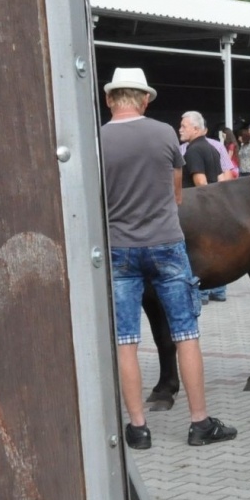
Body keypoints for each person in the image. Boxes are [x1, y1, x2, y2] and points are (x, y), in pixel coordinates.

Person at [99, 69, 237, 450]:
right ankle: (199, 423)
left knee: (126, 340)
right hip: (165, 243)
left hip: (118, 249)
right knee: (186, 334)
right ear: (145, 99)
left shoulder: (97, 138)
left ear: (110, 99)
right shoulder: (164, 134)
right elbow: (177, 195)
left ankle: (138, 429)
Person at [179, 111, 229, 300]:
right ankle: (219, 290)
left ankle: (203, 292)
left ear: (196, 129)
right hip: (213, 209)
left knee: (198, 253)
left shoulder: (193, 150)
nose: (180, 130)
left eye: (184, 126)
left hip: (197, 212)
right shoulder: (212, 148)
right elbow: (221, 178)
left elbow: (200, 182)